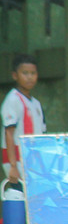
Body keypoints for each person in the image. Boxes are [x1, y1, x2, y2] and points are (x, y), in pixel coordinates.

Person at [2, 54, 46, 185]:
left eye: (33, 73)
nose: (30, 77)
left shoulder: (36, 103)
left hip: (34, 159)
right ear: (15, 75)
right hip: (17, 159)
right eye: (25, 73)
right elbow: (9, 133)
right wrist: (13, 166)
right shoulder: (13, 99)